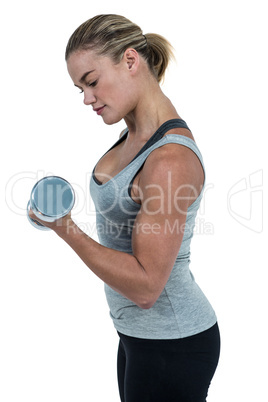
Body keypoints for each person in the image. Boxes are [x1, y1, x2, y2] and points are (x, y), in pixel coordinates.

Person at [30, 14, 220, 402]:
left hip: (174, 342)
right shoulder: (135, 133)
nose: (87, 98)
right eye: (80, 88)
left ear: (130, 61)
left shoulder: (168, 159)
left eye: (92, 81)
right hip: (139, 337)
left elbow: (148, 287)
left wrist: (63, 226)